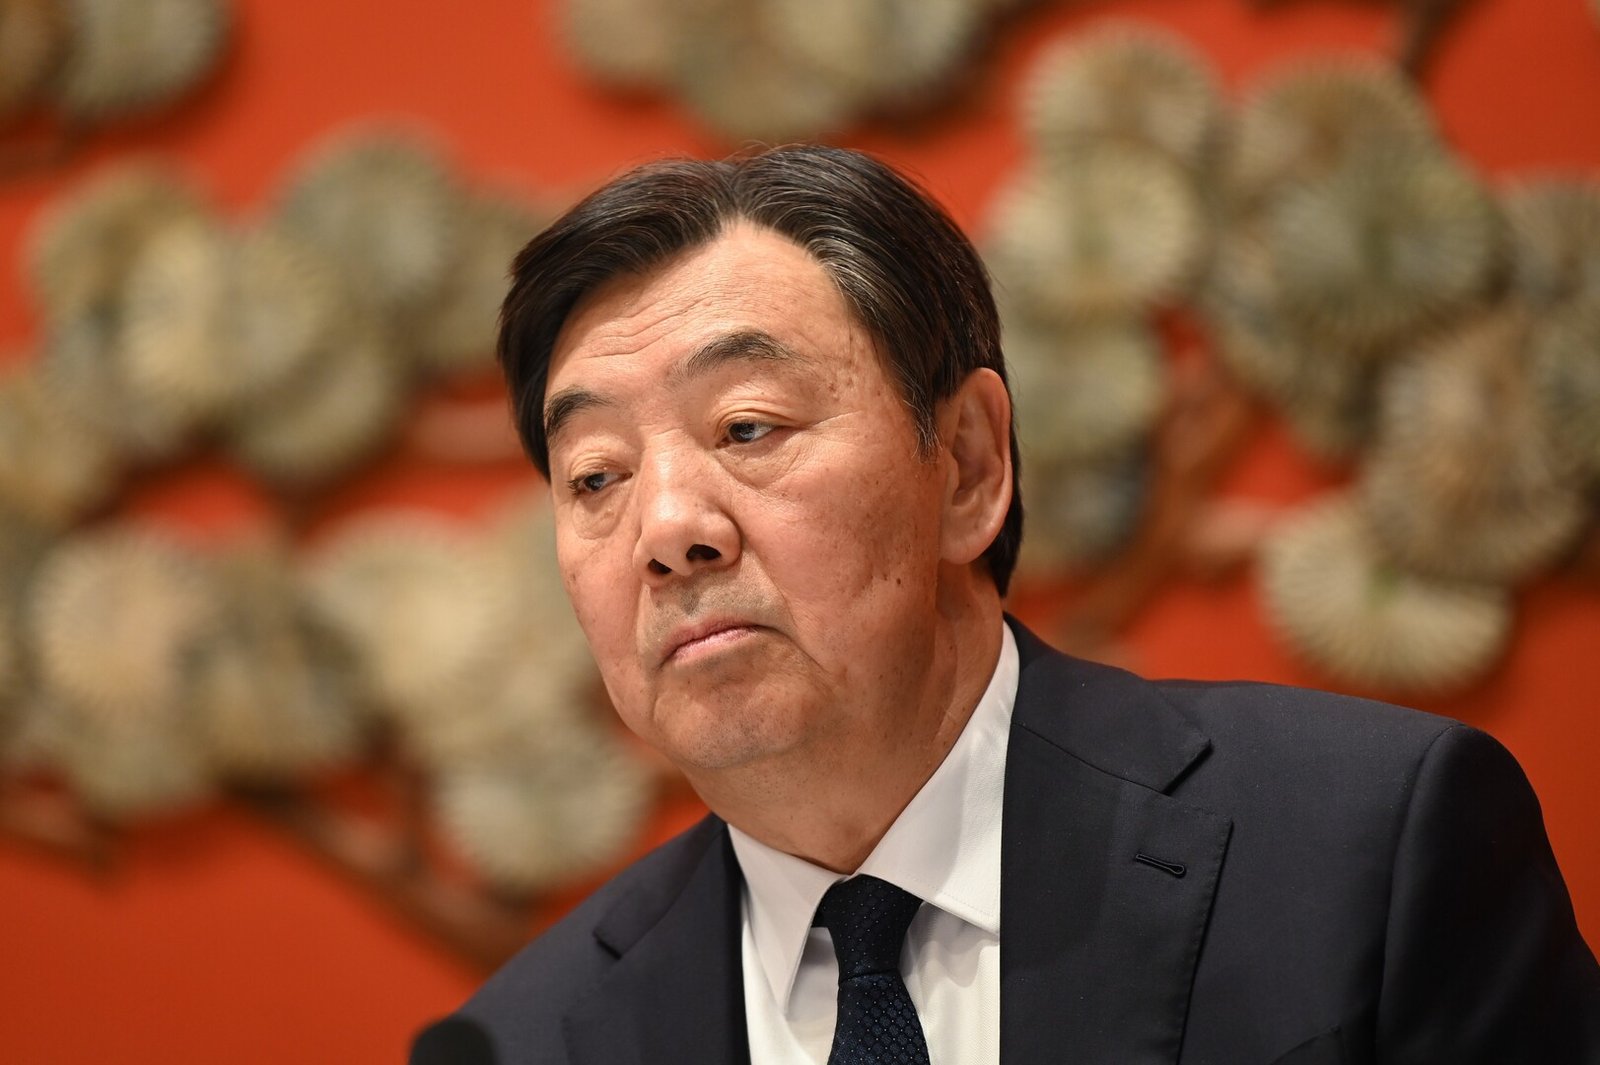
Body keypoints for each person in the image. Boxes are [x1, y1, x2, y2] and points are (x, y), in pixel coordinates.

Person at [412, 145, 1600, 1065]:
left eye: (748, 427)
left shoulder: (1366, 852)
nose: (669, 529)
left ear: (970, 465)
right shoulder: (521, 1043)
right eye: (596, 478)